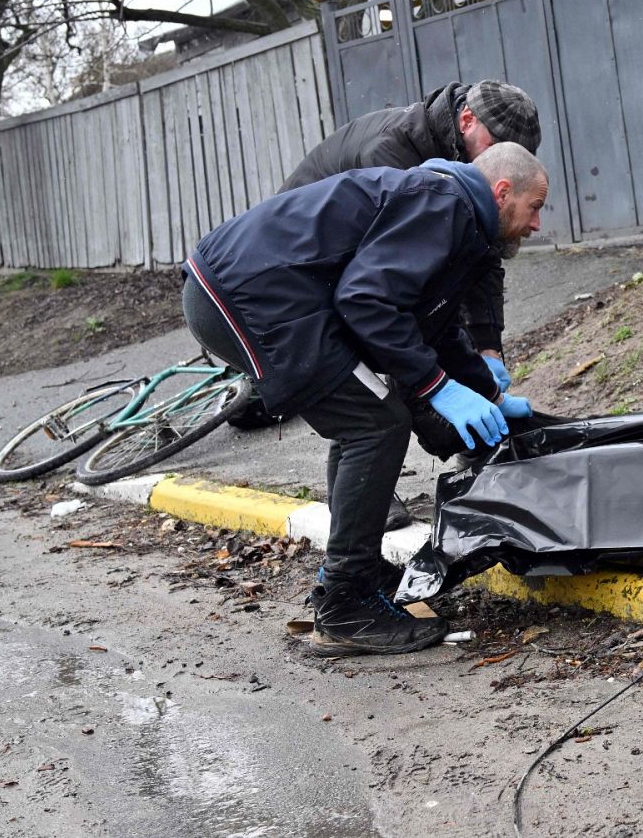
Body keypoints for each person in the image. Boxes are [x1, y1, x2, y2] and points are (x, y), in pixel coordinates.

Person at [181, 143, 549, 655]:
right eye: (535, 207)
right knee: (374, 424)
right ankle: (344, 605)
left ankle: (358, 570)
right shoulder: (442, 205)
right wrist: (438, 389)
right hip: (246, 296)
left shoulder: (454, 212)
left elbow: (434, 328)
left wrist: (488, 394)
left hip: (241, 288)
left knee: (363, 416)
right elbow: (365, 299)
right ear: (502, 192)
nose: (536, 225)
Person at [277, 79, 543, 527]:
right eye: (496, 147)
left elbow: (479, 262)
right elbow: (386, 295)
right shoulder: (396, 156)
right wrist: (439, 391)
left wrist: (487, 351)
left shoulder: (470, 174)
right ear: (466, 120)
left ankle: (475, 452)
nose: (500, 160)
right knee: (363, 387)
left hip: (363, 270)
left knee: (418, 353)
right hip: (307, 263)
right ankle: (361, 500)